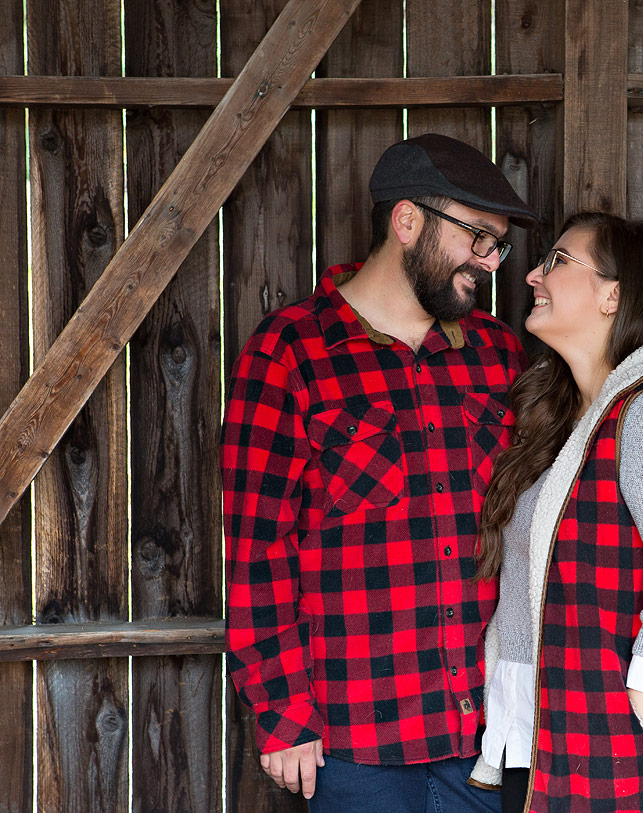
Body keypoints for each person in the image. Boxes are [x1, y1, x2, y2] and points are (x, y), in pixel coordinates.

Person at [221, 133, 537, 811]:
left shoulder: (499, 358)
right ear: (407, 221)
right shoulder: (291, 354)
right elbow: (258, 552)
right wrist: (281, 709)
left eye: (498, 245)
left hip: (487, 735)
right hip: (355, 744)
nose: (490, 261)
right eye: (478, 237)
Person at [467, 212, 643, 811]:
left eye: (558, 261)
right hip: (545, 736)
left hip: (621, 747)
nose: (535, 275)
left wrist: (638, 710)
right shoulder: (569, 418)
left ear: (613, 295)